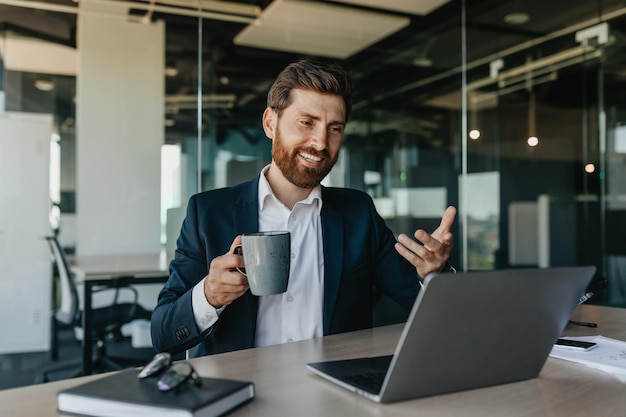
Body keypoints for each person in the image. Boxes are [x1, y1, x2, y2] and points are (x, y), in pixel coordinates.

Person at [151, 59, 456, 357]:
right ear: (271, 123)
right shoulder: (208, 212)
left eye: (334, 128)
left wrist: (434, 274)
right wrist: (208, 296)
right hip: (242, 397)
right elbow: (164, 335)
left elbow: (420, 301)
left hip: (334, 397)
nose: (321, 142)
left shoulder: (358, 212)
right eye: (307, 122)